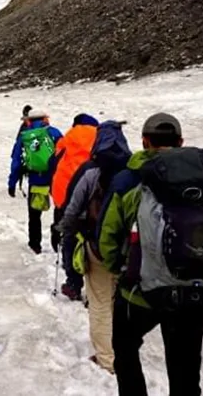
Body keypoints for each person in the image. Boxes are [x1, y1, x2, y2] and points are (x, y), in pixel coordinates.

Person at [98, 112, 203, 396]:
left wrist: (121, 268)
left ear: (144, 142)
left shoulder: (128, 180)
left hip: (139, 293)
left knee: (125, 348)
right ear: (180, 142)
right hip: (195, 292)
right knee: (185, 366)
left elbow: (107, 238)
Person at [56, 119, 132, 374]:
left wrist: (65, 230)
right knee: (119, 300)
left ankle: (107, 359)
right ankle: (123, 351)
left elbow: (73, 207)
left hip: (97, 246)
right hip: (129, 250)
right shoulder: (134, 173)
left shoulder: (92, 171)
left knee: (99, 302)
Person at [52, 113, 99, 301]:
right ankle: (95, 287)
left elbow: (53, 163)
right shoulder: (101, 137)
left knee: (70, 236)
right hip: (95, 196)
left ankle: (73, 283)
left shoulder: (68, 137)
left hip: (67, 193)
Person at [8, 108, 63, 254]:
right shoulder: (54, 133)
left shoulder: (25, 136)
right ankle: (57, 238)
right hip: (54, 179)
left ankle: (35, 244)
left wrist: (12, 183)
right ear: (45, 118)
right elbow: (65, 154)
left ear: (28, 121)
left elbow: (16, 160)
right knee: (60, 210)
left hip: (35, 179)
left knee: (34, 215)